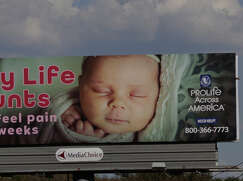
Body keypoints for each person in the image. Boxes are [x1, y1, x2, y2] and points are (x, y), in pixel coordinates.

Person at [41, 53, 192, 144]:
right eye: (102, 91)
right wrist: (62, 122)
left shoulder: (155, 137)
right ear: (81, 87)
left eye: (136, 95)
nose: (118, 103)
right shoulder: (67, 111)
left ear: (159, 95)